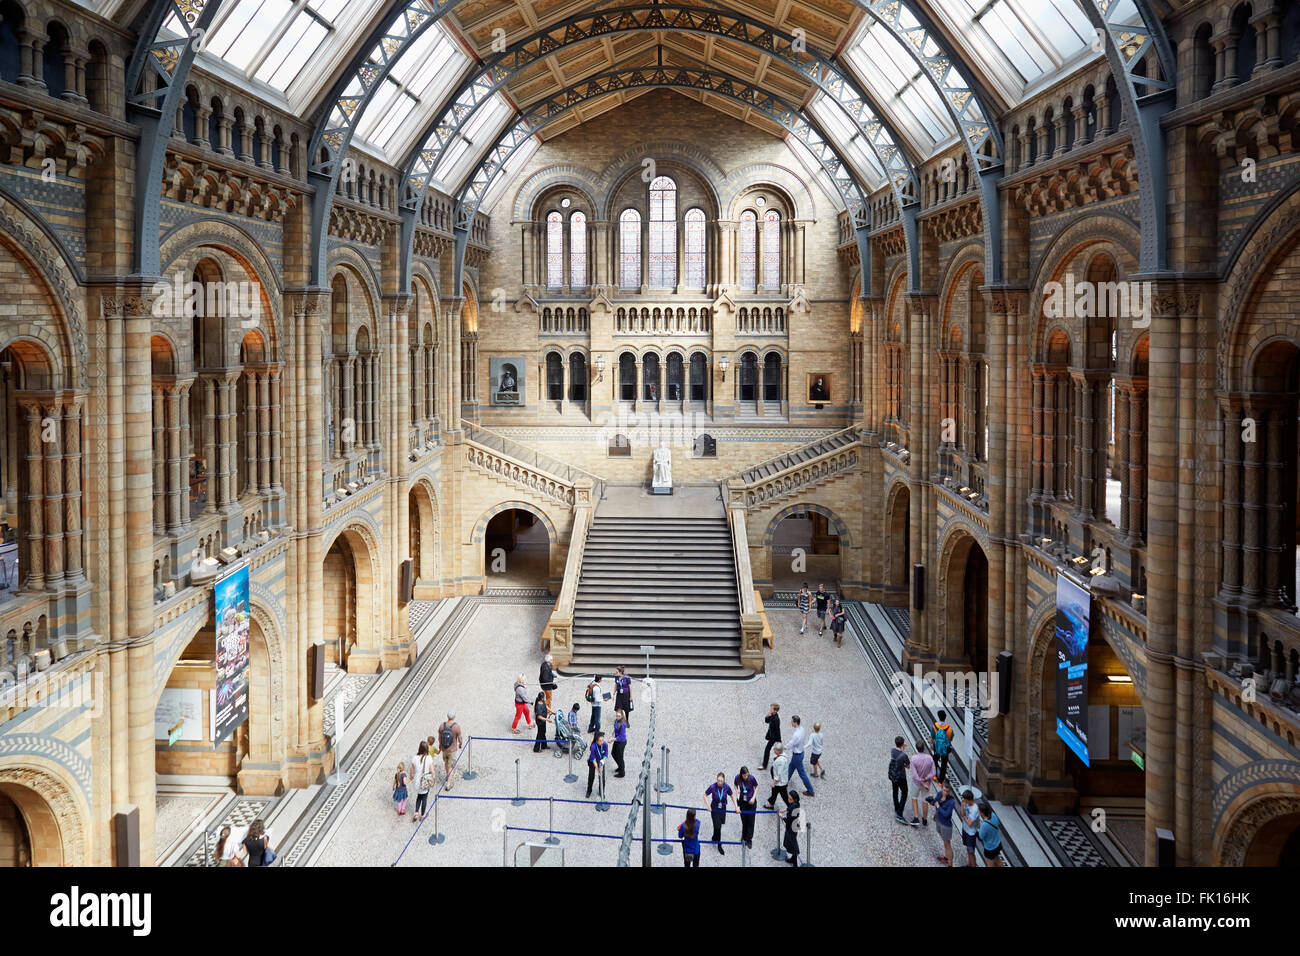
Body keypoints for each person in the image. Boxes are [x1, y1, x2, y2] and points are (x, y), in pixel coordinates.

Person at [704, 771, 737, 855]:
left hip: (723, 808)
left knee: (718, 825)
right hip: (714, 809)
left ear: (724, 780)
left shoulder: (726, 787)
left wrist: (736, 807)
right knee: (718, 826)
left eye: (721, 781)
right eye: (718, 780)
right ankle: (719, 844)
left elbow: (732, 795)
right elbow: (704, 795)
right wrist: (708, 806)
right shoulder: (712, 787)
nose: (719, 782)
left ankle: (714, 837)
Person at [928, 780, 957, 865]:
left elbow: (946, 814)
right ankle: (946, 858)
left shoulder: (952, 801)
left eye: (947, 791)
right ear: (941, 788)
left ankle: (950, 863)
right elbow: (935, 802)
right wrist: (932, 801)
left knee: (947, 844)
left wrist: (938, 806)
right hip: (939, 821)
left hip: (946, 825)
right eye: (944, 790)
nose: (945, 793)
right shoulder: (940, 794)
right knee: (945, 843)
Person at [786, 715, 815, 797]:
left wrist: (783, 747)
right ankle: (784, 782)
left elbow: (791, 744)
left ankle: (810, 790)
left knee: (802, 773)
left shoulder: (796, 734)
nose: (791, 722)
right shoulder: (802, 729)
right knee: (790, 768)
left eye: (792, 721)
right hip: (801, 753)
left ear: (795, 723)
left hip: (797, 756)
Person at [909, 739, 935, 826]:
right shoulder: (930, 758)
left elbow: (915, 775)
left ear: (917, 748)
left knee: (914, 798)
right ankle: (924, 819)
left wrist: (921, 781)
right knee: (925, 801)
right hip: (927, 783)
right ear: (924, 748)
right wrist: (926, 779)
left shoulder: (913, 759)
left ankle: (916, 818)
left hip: (916, 783)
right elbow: (933, 772)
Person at [411, 739, 436, 823]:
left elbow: (412, 769)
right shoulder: (429, 758)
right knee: (424, 798)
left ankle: (416, 813)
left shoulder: (415, 758)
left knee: (419, 797)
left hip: (417, 780)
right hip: (425, 781)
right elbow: (432, 771)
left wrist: (411, 776)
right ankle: (422, 815)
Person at [734, 766, 759, 849]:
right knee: (744, 820)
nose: (746, 777)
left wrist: (753, 798)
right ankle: (744, 837)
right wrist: (737, 789)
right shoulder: (738, 778)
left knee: (751, 821)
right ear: (741, 774)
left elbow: (756, 787)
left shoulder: (751, 778)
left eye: (747, 775)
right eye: (744, 776)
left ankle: (749, 839)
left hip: (751, 802)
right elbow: (735, 785)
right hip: (742, 802)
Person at [887, 736, 911, 824]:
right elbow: (908, 766)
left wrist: (902, 748)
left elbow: (897, 756)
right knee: (904, 793)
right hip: (901, 776)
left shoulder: (892, 751)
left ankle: (896, 807)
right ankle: (900, 814)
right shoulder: (904, 755)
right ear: (902, 744)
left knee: (895, 791)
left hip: (893, 775)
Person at [438, 712, 463, 791]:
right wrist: (460, 744)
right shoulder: (456, 727)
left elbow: (439, 738)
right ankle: (448, 784)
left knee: (446, 762)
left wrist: (440, 746)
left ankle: (447, 775)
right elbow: (460, 738)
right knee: (451, 766)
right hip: (452, 750)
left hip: (444, 749)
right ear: (454, 717)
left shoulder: (442, 726)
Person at [959, 789, 982, 867]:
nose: (964, 801)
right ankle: (970, 864)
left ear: (969, 800)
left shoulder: (975, 809)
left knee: (971, 852)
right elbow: (961, 813)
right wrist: (962, 805)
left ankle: (973, 865)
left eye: (965, 800)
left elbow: (969, 823)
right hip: (965, 830)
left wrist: (964, 817)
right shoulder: (966, 804)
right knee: (968, 850)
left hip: (971, 833)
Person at [779, 791, 803, 866]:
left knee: (793, 844)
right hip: (794, 826)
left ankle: (795, 863)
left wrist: (781, 816)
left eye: (790, 799)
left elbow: (788, 820)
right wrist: (785, 810)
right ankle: (793, 859)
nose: (789, 800)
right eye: (788, 798)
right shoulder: (796, 804)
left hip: (791, 828)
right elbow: (790, 807)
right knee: (792, 843)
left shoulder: (793, 809)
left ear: (794, 799)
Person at [764, 742, 790, 809]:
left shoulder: (780, 761)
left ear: (778, 751)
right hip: (781, 781)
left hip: (780, 783)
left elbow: (779, 773)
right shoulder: (783, 756)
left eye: (775, 749)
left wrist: (774, 783)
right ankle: (771, 803)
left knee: (784, 796)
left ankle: (791, 807)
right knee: (774, 792)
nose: (773, 750)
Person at [979, 802, 1004, 866]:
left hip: (989, 848)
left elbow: (980, 837)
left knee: (990, 864)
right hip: (997, 844)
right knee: (998, 859)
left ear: (981, 812)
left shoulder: (984, 825)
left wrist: (981, 825)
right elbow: (997, 823)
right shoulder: (993, 815)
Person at [932, 710, 954, 784]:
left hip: (936, 746)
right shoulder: (949, 728)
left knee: (935, 760)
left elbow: (933, 737)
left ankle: (934, 776)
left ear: (938, 717)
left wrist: (931, 744)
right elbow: (951, 738)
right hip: (945, 749)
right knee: (944, 764)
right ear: (945, 718)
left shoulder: (935, 726)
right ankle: (941, 781)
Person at [586, 731, 608, 798]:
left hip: (601, 762)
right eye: (600, 741)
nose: (602, 742)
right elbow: (593, 759)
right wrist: (598, 770)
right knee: (591, 776)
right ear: (596, 740)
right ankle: (589, 791)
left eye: (602, 740)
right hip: (593, 762)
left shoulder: (605, 744)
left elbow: (606, 754)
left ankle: (601, 791)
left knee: (602, 778)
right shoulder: (593, 747)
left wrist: (603, 761)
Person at [760, 702, 781, 770]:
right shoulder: (772, 715)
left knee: (767, 750)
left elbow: (777, 730)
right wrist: (767, 716)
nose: (770, 710)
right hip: (772, 736)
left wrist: (778, 740)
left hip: (774, 737)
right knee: (776, 750)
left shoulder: (776, 719)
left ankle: (764, 765)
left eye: (771, 709)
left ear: (775, 710)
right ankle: (778, 758)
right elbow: (767, 721)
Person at [611, 710, 628, 776]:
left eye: (619, 716)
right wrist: (613, 733)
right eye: (617, 716)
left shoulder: (623, 724)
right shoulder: (616, 721)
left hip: (621, 742)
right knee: (613, 753)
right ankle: (620, 767)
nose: (617, 717)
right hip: (617, 740)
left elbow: (621, 736)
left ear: (622, 716)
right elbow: (615, 728)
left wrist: (612, 739)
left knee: (620, 757)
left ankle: (622, 772)